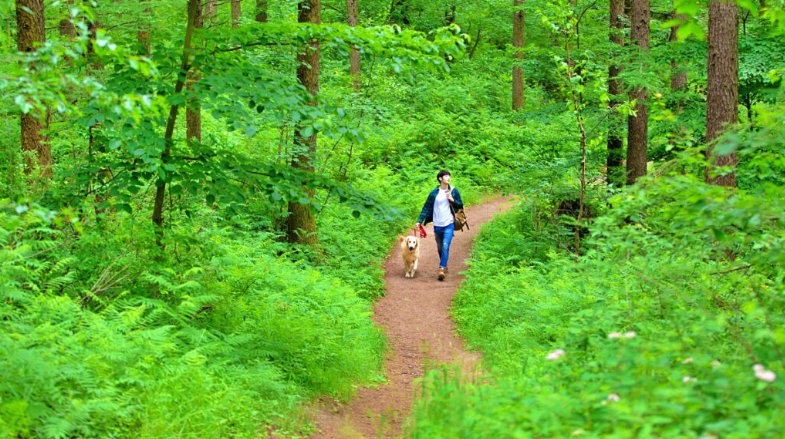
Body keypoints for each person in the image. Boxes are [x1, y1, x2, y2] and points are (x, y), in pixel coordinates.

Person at [415, 170, 464, 281]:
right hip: (437, 224)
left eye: (449, 176)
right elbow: (426, 208)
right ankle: (444, 263)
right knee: (440, 247)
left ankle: (441, 268)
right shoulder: (434, 193)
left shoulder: (453, 191)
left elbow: (460, 205)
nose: (448, 178)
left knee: (446, 245)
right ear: (440, 179)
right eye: (446, 176)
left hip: (449, 223)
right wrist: (419, 221)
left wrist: (452, 199)